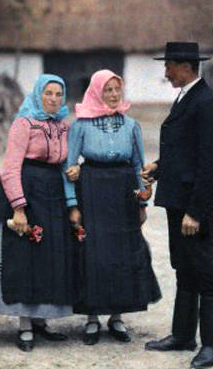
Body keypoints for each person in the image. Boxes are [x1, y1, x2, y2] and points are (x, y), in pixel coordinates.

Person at [0, 74, 81, 352]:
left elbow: (65, 167)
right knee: (25, 257)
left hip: (52, 196)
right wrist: (19, 208)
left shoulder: (64, 126)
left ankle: (41, 321)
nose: (53, 99)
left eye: (58, 94)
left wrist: (71, 202)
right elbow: (10, 169)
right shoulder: (23, 124)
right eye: (48, 93)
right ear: (38, 95)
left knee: (49, 258)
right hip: (26, 192)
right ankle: (25, 325)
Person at [141, 42, 213, 368]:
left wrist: (196, 211)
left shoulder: (208, 103)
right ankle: (183, 335)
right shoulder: (186, 97)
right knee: (184, 268)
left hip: (194, 204)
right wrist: (159, 165)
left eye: (168, 66)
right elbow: (183, 151)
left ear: (184, 66)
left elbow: (209, 162)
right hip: (177, 199)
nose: (165, 73)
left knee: (204, 270)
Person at [64, 69, 161, 345]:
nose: (114, 95)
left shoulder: (131, 125)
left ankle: (117, 317)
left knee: (123, 252)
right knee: (92, 253)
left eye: (117, 89)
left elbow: (138, 166)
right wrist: (72, 204)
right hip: (92, 190)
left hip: (122, 194)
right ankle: (92, 319)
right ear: (96, 92)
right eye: (108, 90)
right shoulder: (80, 125)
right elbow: (69, 166)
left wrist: (142, 201)